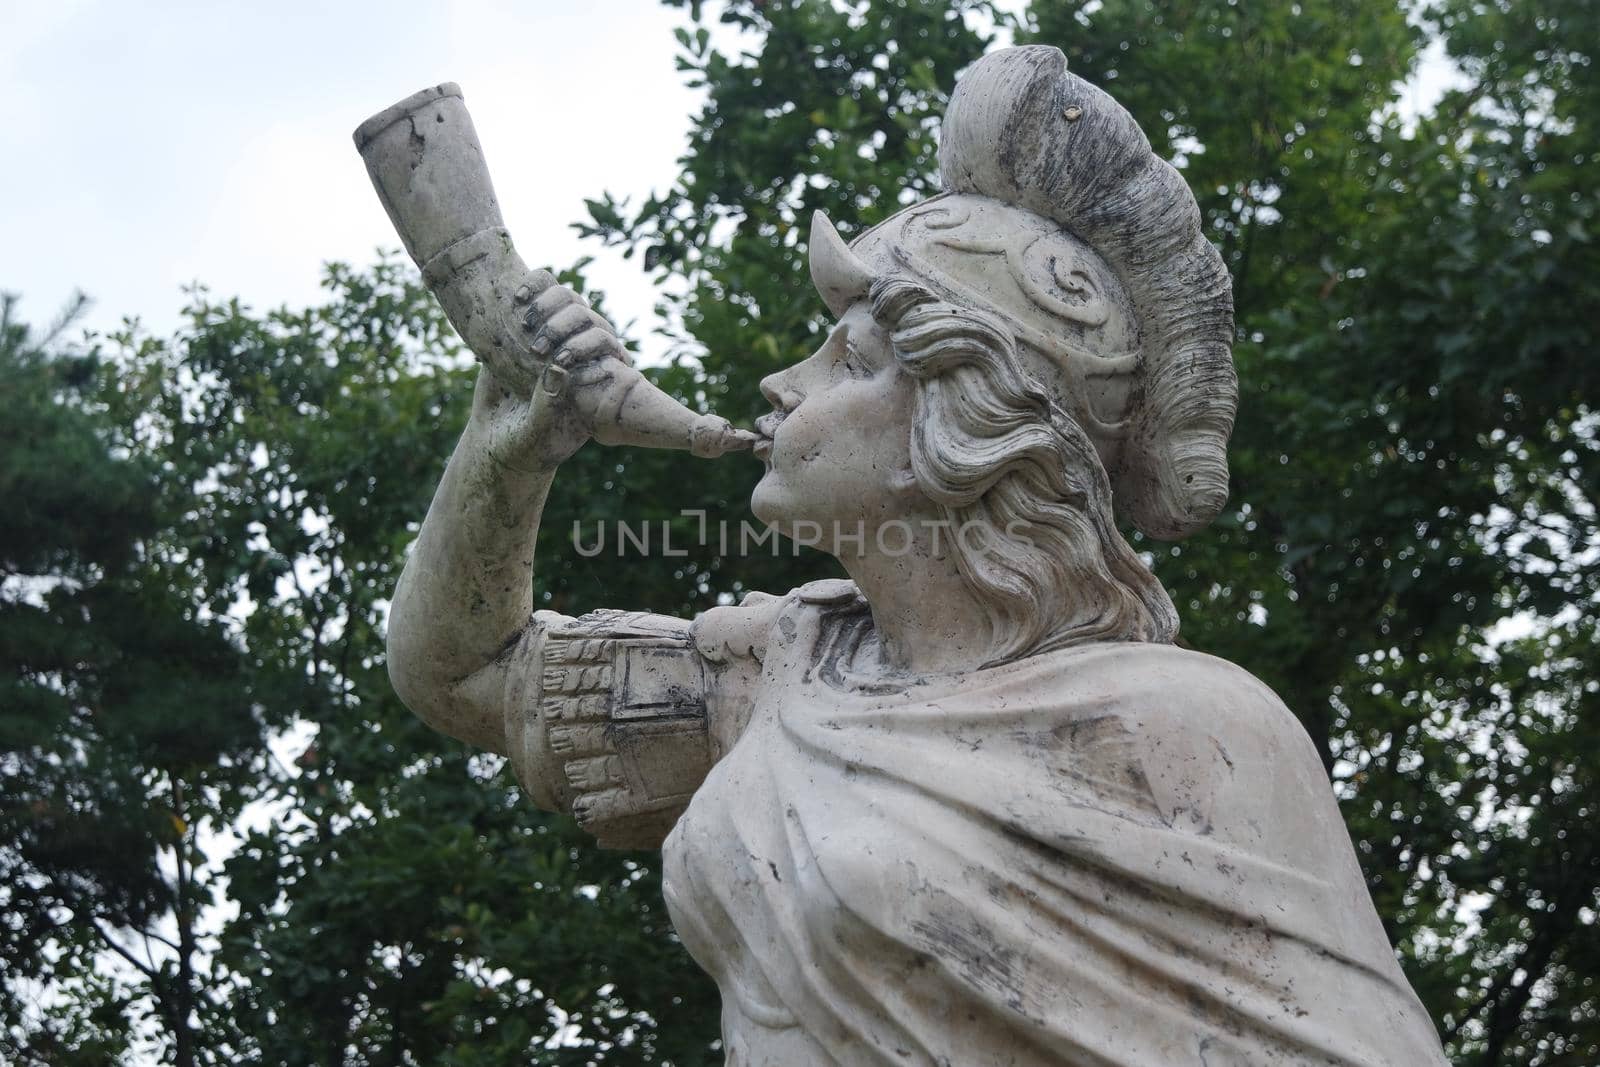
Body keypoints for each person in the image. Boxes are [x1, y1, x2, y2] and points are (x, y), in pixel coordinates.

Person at [385, 45, 1449, 1066]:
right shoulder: (781, 670)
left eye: (846, 354)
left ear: (966, 423)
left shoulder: (1184, 724)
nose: (782, 384)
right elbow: (465, 672)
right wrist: (510, 444)